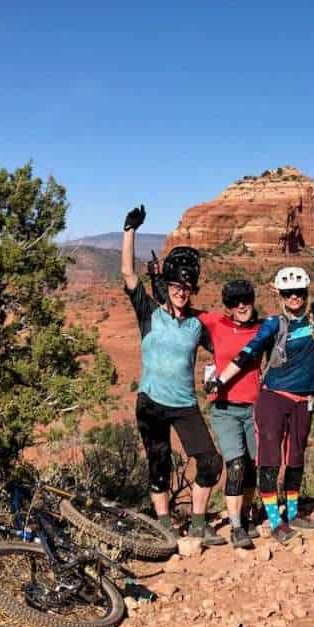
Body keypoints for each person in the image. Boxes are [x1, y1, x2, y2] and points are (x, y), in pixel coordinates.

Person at [207, 228, 314, 545]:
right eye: (289, 294)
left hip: (304, 400)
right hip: (273, 398)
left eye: (300, 292)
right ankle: (275, 522)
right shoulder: (274, 324)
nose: (295, 298)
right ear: (282, 296)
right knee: (271, 458)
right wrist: (221, 380)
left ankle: (293, 512)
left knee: (298, 457)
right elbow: (246, 355)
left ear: (305, 292)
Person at [121, 205, 226, 547]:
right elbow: (128, 276)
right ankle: (164, 526)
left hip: (184, 403)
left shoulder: (198, 323)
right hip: (151, 402)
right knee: (159, 464)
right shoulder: (149, 313)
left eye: (187, 287)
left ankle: (198, 523)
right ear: (166, 286)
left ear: (193, 289)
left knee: (210, 460)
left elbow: (223, 351)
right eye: (176, 286)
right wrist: (129, 231)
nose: (182, 291)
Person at [198, 280, 263, 549]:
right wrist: (157, 283)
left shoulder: (263, 329)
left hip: (255, 409)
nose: (241, 305)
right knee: (235, 466)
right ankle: (236, 527)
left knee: (252, 466)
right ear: (228, 307)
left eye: (245, 299)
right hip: (225, 409)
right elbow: (183, 308)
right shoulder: (216, 323)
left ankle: (246, 516)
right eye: (234, 302)